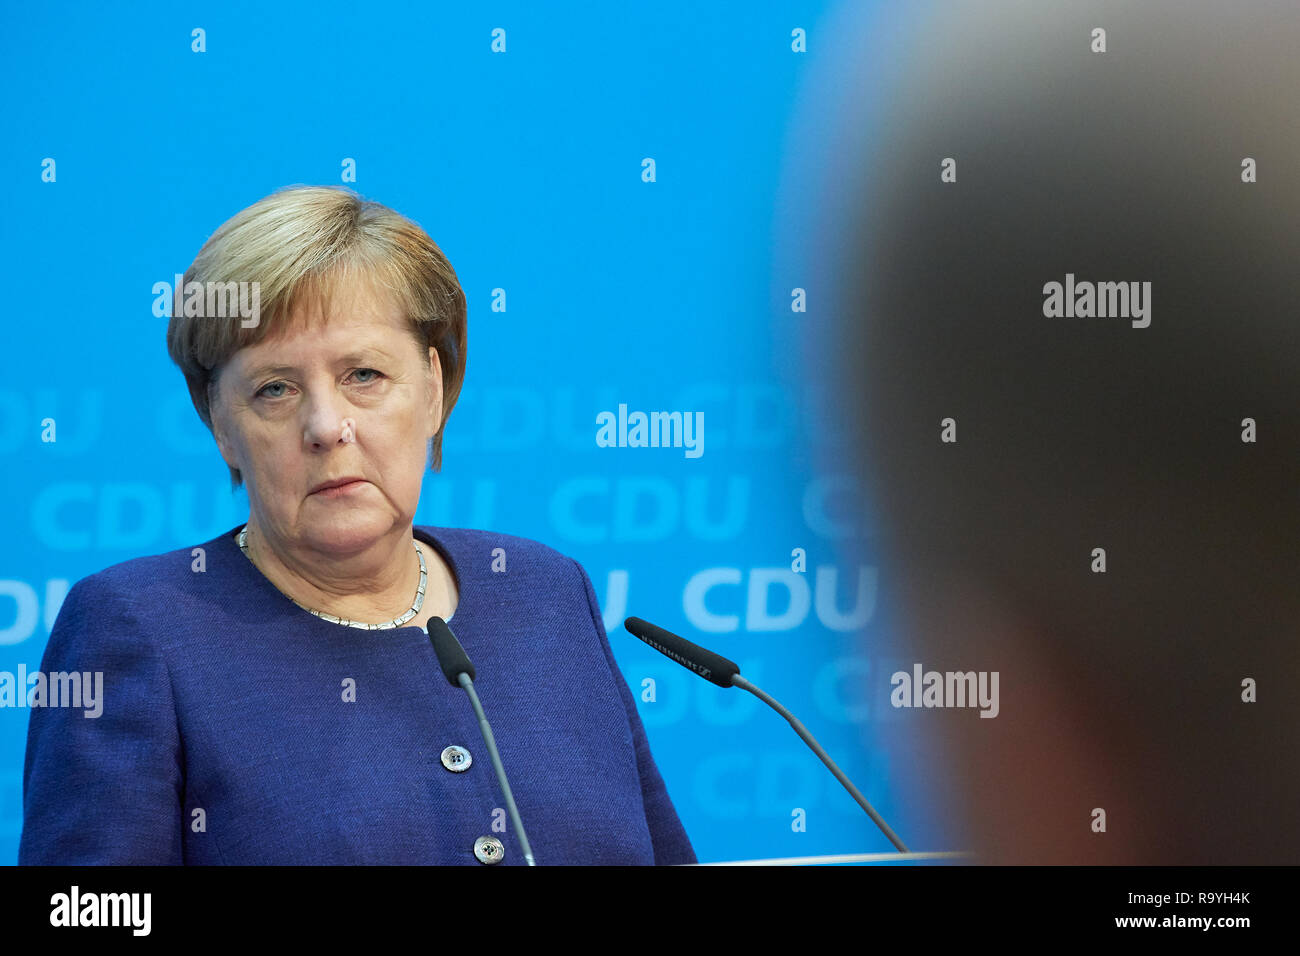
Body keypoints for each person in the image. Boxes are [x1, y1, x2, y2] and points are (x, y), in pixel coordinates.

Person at [19, 185, 696, 865]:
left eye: (364, 375)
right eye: (274, 389)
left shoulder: (544, 593)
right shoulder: (140, 627)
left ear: (433, 387)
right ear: (220, 424)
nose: (325, 427)